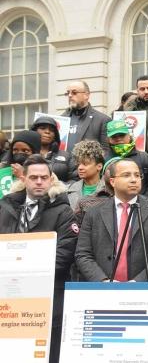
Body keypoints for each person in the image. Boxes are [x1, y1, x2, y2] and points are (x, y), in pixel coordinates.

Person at [0, 155, 77, 363]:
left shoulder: (64, 211)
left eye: (44, 177)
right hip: (8, 297)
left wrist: (28, 277)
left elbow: (65, 253)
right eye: (34, 177)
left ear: (52, 179)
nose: (40, 181)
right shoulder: (5, 209)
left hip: (47, 298)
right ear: (23, 179)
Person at [75, 158, 148, 281]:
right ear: (112, 181)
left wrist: (139, 281)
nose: (134, 180)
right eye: (126, 175)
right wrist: (102, 281)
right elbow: (83, 253)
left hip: (143, 291)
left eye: (137, 175)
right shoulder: (93, 213)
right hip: (103, 290)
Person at [105, 120, 148, 201]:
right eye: (114, 136)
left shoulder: (144, 158)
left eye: (122, 135)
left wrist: (145, 199)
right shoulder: (105, 159)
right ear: (108, 139)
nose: (118, 139)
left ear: (129, 135)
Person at [60, 80, 111, 153]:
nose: (70, 95)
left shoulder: (102, 120)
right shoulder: (61, 119)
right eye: (68, 93)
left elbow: (106, 151)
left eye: (74, 92)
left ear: (86, 95)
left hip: (88, 163)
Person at [30, 115, 75, 181]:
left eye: (51, 130)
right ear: (34, 131)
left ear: (55, 135)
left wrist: (60, 188)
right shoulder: (26, 153)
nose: (47, 132)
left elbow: (75, 179)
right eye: (43, 128)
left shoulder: (67, 156)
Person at [67, 140, 105, 208]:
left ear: (99, 166)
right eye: (79, 164)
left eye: (85, 164)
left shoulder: (110, 191)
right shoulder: (69, 190)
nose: (80, 168)